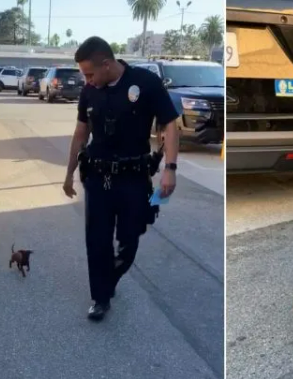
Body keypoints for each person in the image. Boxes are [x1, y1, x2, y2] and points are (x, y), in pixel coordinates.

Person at [63, 36, 179, 321]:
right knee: (97, 241)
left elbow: (171, 125)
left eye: (90, 73)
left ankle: (109, 278)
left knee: (130, 239)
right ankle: (100, 297)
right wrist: (68, 174)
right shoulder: (90, 91)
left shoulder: (145, 83)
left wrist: (170, 168)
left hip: (134, 179)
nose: (86, 80)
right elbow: (81, 133)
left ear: (107, 64)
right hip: (99, 179)